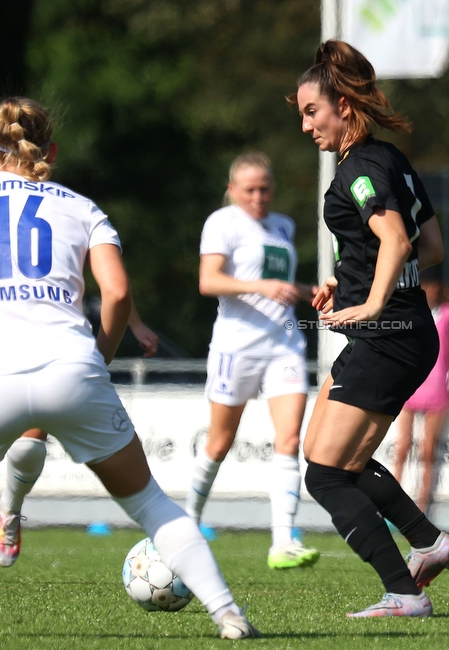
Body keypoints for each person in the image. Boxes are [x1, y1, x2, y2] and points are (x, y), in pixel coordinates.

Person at [0, 97, 256, 639]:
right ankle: (229, 616)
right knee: (148, 501)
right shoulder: (82, 208)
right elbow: (118, 293)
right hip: (70, 365)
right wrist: (97, 357)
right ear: (50, 150)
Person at [291, 40, 449, 619]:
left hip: (387, 332)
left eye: (312, 111)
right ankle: (429, 542)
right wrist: (352, 283)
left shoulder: (359, 168)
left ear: (341, 104)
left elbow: (395, 240)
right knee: (336, 460)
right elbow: (430, 247)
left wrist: (369, 303)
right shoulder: (389, 158)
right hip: (401, 328)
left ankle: (405, 593)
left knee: (325, 475)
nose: (307, 125)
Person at [0, 265, 160, 582]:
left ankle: (10, 509)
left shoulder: (70, 214)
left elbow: (110, 277)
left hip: (42, 334)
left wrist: (133, 322)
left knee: (30, 440)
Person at [186, 151, 320, 570]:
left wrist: (308, 290)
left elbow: (279, 285)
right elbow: (210, 281)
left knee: (289, 440)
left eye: (265, 189)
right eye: (249, 190)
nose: (259, 196)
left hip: (284, 344)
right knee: (219, 442)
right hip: (236, 346)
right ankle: (185, 523)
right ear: (232, 190)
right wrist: (262, 285)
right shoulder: (221, 223)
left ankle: (282, 542)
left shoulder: (283, 226)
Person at [392, 266, 449, 512]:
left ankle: (422, 505)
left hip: (437, 387)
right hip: (411, 384)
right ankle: (394, 502)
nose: (429, 291)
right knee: (402, 447)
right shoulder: (412, 313)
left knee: (428, 449)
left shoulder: (448, 317)